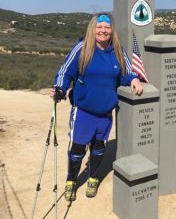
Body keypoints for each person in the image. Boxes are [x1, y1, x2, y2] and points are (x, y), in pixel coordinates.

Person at [50, 13, 143, 201]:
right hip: (83, 110)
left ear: (111, 30)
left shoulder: (117, 50)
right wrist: (60, 88)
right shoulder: (82, 48)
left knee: (99, 148)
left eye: (107, 27)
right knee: (77, 148)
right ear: (93, 29)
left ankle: (93, 177)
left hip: (105, 112)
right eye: (99, 27)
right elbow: (65, 71)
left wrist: (133, 78)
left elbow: (126, 72)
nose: (103, 30)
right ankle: (71, 180)